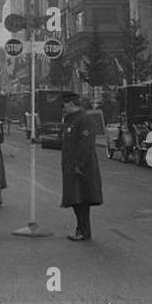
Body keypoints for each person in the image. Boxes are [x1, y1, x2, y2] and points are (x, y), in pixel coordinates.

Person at [59, 93, 102, 241]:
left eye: (64, 105)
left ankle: (84, 231)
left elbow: (86, 144)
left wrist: (79, 164)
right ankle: (81, 229)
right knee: (75, 199)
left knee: (82, 199)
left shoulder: (84, 119)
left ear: (71, 103)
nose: (62, 108)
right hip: (71, 165)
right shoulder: (70, 119)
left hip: (82, 167)